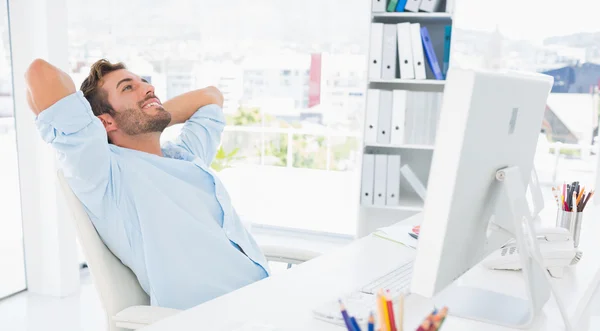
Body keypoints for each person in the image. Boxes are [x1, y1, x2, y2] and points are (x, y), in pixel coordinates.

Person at [25, 58, 270, 310]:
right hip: (215, 317)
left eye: (145, 83)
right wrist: (138, 114)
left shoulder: (185, 155)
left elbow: (211, 97)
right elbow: (40, 74)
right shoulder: (103, 174)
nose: (148, 88)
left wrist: (149, 111)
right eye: (128, 88)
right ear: (105, 122)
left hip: (265, 297)